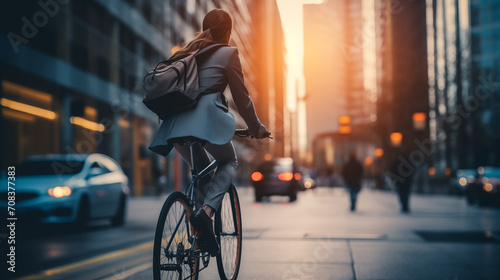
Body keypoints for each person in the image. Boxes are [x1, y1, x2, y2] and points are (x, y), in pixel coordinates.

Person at [148, 9, 269, 254]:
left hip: (174, 125)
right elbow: (242, 98)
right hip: (205, 120)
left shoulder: (186, 53)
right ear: (228, 32)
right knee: (229, 161)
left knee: (202, 175)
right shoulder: (228, 53)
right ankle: (206, 214)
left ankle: (202, 234)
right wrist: (257, 128)